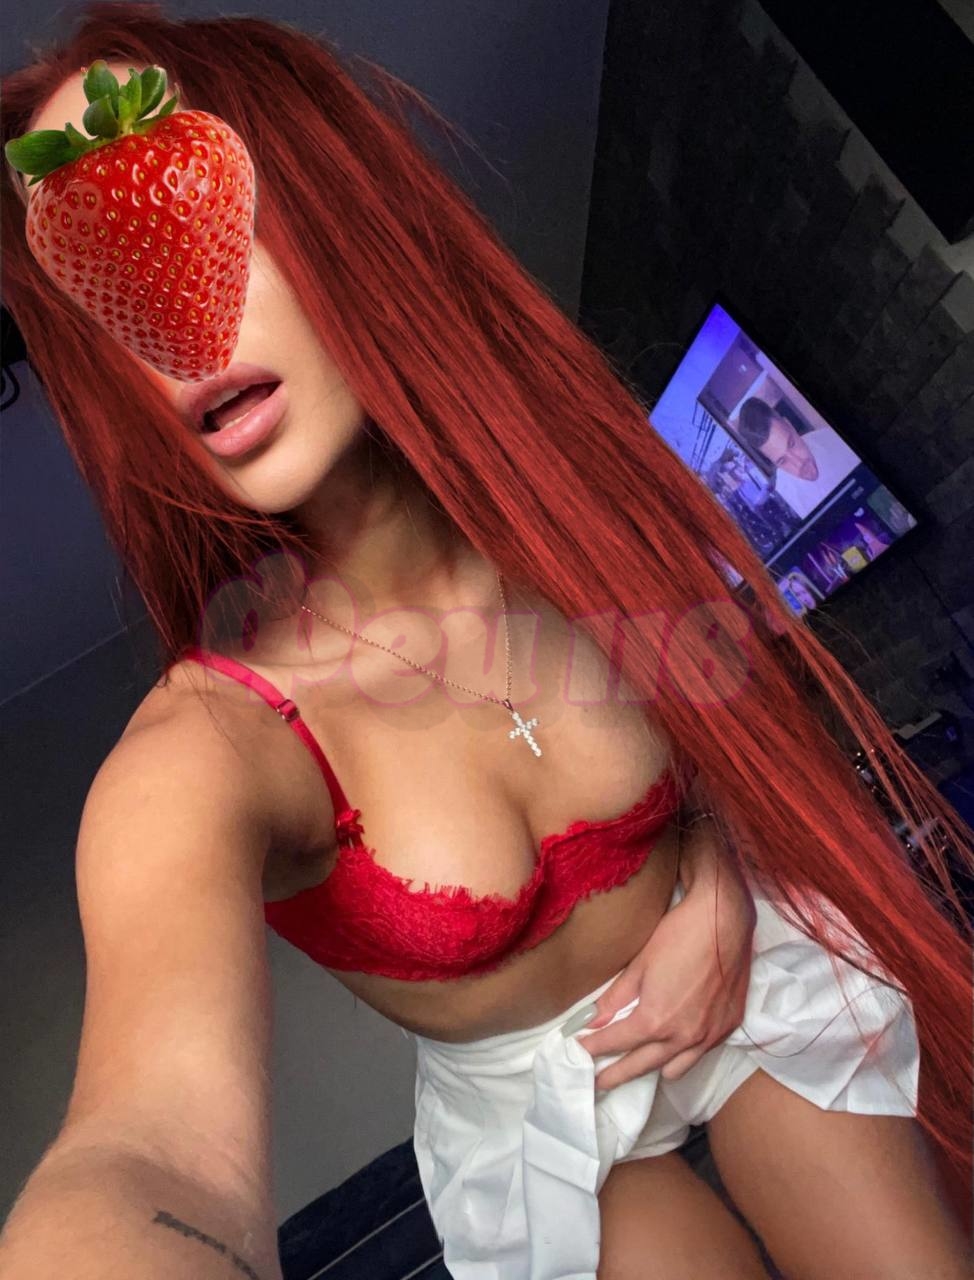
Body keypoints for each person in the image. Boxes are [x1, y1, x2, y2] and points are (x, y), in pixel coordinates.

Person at [1, 7, 972, 1280]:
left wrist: (721, 875)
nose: (174, 330)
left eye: (191, 225)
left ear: (334, 207)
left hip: (738, 957)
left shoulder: (576, 504)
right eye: (112, 294)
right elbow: (148, 1154)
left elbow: (738, 721)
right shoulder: (209, 751)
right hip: (533, 1120)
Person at [736, 399, 860, 519]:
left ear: (790, 426)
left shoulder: (835, 438)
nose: (799, 464)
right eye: (782, 461)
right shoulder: (786, 500)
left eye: (791, 444)